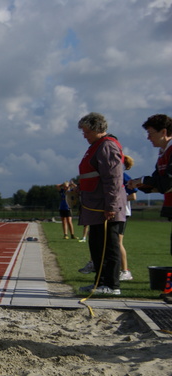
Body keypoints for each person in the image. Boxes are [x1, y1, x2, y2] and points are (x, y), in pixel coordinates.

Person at [76, 113, 127, 296]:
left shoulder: (107, 146)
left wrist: (111, 206)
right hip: (95, 206)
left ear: (97, 128)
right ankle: (100, 281)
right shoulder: (96, 146)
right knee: (97, 245)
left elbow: (113, 178)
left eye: (87, 131)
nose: (84, 135)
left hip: (105, 207)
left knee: (109, 245)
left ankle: (112, 285)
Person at [128, 114, 172, 254]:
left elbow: (167, 183)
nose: (148, 138)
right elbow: (156, 182)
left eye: (151, 133)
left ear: (164, 132)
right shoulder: (163, 153)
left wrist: (142, 181)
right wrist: (138, 185)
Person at [119, 155, 137, 281]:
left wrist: (118, 197)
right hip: (115, 212)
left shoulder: (124, 177)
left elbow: (133, 196)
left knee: (117, 242)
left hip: (123, 212)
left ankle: (125, 271)